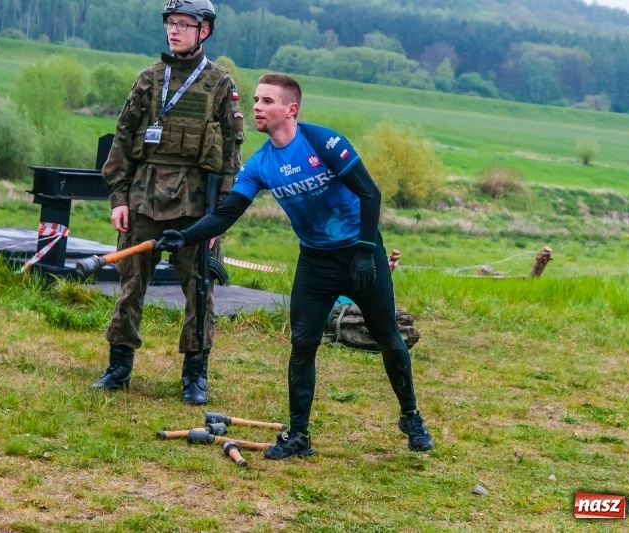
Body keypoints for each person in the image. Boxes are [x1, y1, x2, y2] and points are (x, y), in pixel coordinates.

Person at [157, 73, 434, 458]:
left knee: (387, 334)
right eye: (256, 100)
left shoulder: (323, 142)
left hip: (361, 251)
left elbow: (370, 194)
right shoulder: (260, 164)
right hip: (316, 262)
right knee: (303, 344)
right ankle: (299, 436)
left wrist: (365, 251)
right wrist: (186, 236)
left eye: (267, 101)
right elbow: (225, 214)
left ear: (291, 109)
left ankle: (411, 416)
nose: (256, 107)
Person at [94, 0, 244, 405]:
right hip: (143, 199)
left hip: (197, 206)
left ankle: (195, 373)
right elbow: (123, 139)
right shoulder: (149, 79)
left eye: (183, 24)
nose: (173, 30)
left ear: (204, 30)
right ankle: (118, 366)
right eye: (170, 23)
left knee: (199, 289)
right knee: (130, 284)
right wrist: (118, 198)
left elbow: (232, 154)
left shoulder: (220, 84)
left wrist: (220, 218)